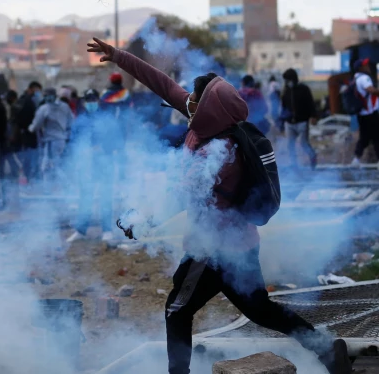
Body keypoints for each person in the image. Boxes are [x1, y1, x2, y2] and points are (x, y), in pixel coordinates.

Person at [86, 37, 352, 374]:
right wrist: (119, 56)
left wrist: (140, 219)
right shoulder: (208, 121)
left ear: (208, 107)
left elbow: (181, 196)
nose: (187, 102)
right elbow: (164, 85)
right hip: (240, 246)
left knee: (177, 310)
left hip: (211, 251)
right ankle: (326, 350)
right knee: (259, 309)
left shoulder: (222, 152)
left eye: (194, 99)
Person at [66, 89, 114, 243]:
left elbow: (116, 139)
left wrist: (103, 148)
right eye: (88, 99)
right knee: (85, 196)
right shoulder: (79, 121)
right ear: (84, 102)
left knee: (105, 196)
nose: (91, 102)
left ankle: (107, 230)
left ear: (98, 101)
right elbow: (72, 142)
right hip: (86, 164)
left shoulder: (107, 119)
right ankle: (81, 230)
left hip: (104, 163)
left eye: (94, 99)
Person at [29, 87, 73, 183]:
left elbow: (36, 125)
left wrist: (29, 128)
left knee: (48, 165)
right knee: (55, 164)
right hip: (62, 140)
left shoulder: (44, 108)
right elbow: (71, 121)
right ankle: (59, 186)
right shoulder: (65, 106)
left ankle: (62, 185)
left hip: (51, 141)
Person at [281, 68, 318, 169]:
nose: (287, 82)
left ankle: (312, 157)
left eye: (288, 80)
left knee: (304, 143)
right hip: (289, 123)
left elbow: (311, 104)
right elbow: (283, 107)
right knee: (290, 145)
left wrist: (314, 116)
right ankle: (294, 164)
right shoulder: (286, 91)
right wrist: (282, 122)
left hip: (302, 122)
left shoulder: (304, 89)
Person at [350, 58, 379, 167]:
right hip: (370, 113)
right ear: (361, 68)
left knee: (365, 138)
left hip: (362, 114)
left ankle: (356, 160)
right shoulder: (364, 78)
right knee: (376, 137)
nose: (368, 66)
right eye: (365, 65)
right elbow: (371, 90)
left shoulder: (355, 79)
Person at [14, 82, 43, 181]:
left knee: (30, 157)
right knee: (29, 158)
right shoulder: (26, 101)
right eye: (36, 90)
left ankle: (31, 177)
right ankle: (31, 178)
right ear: (30, 89)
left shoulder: (29, 100)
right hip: (28, 133)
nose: (38, 93)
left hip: (30, 133)